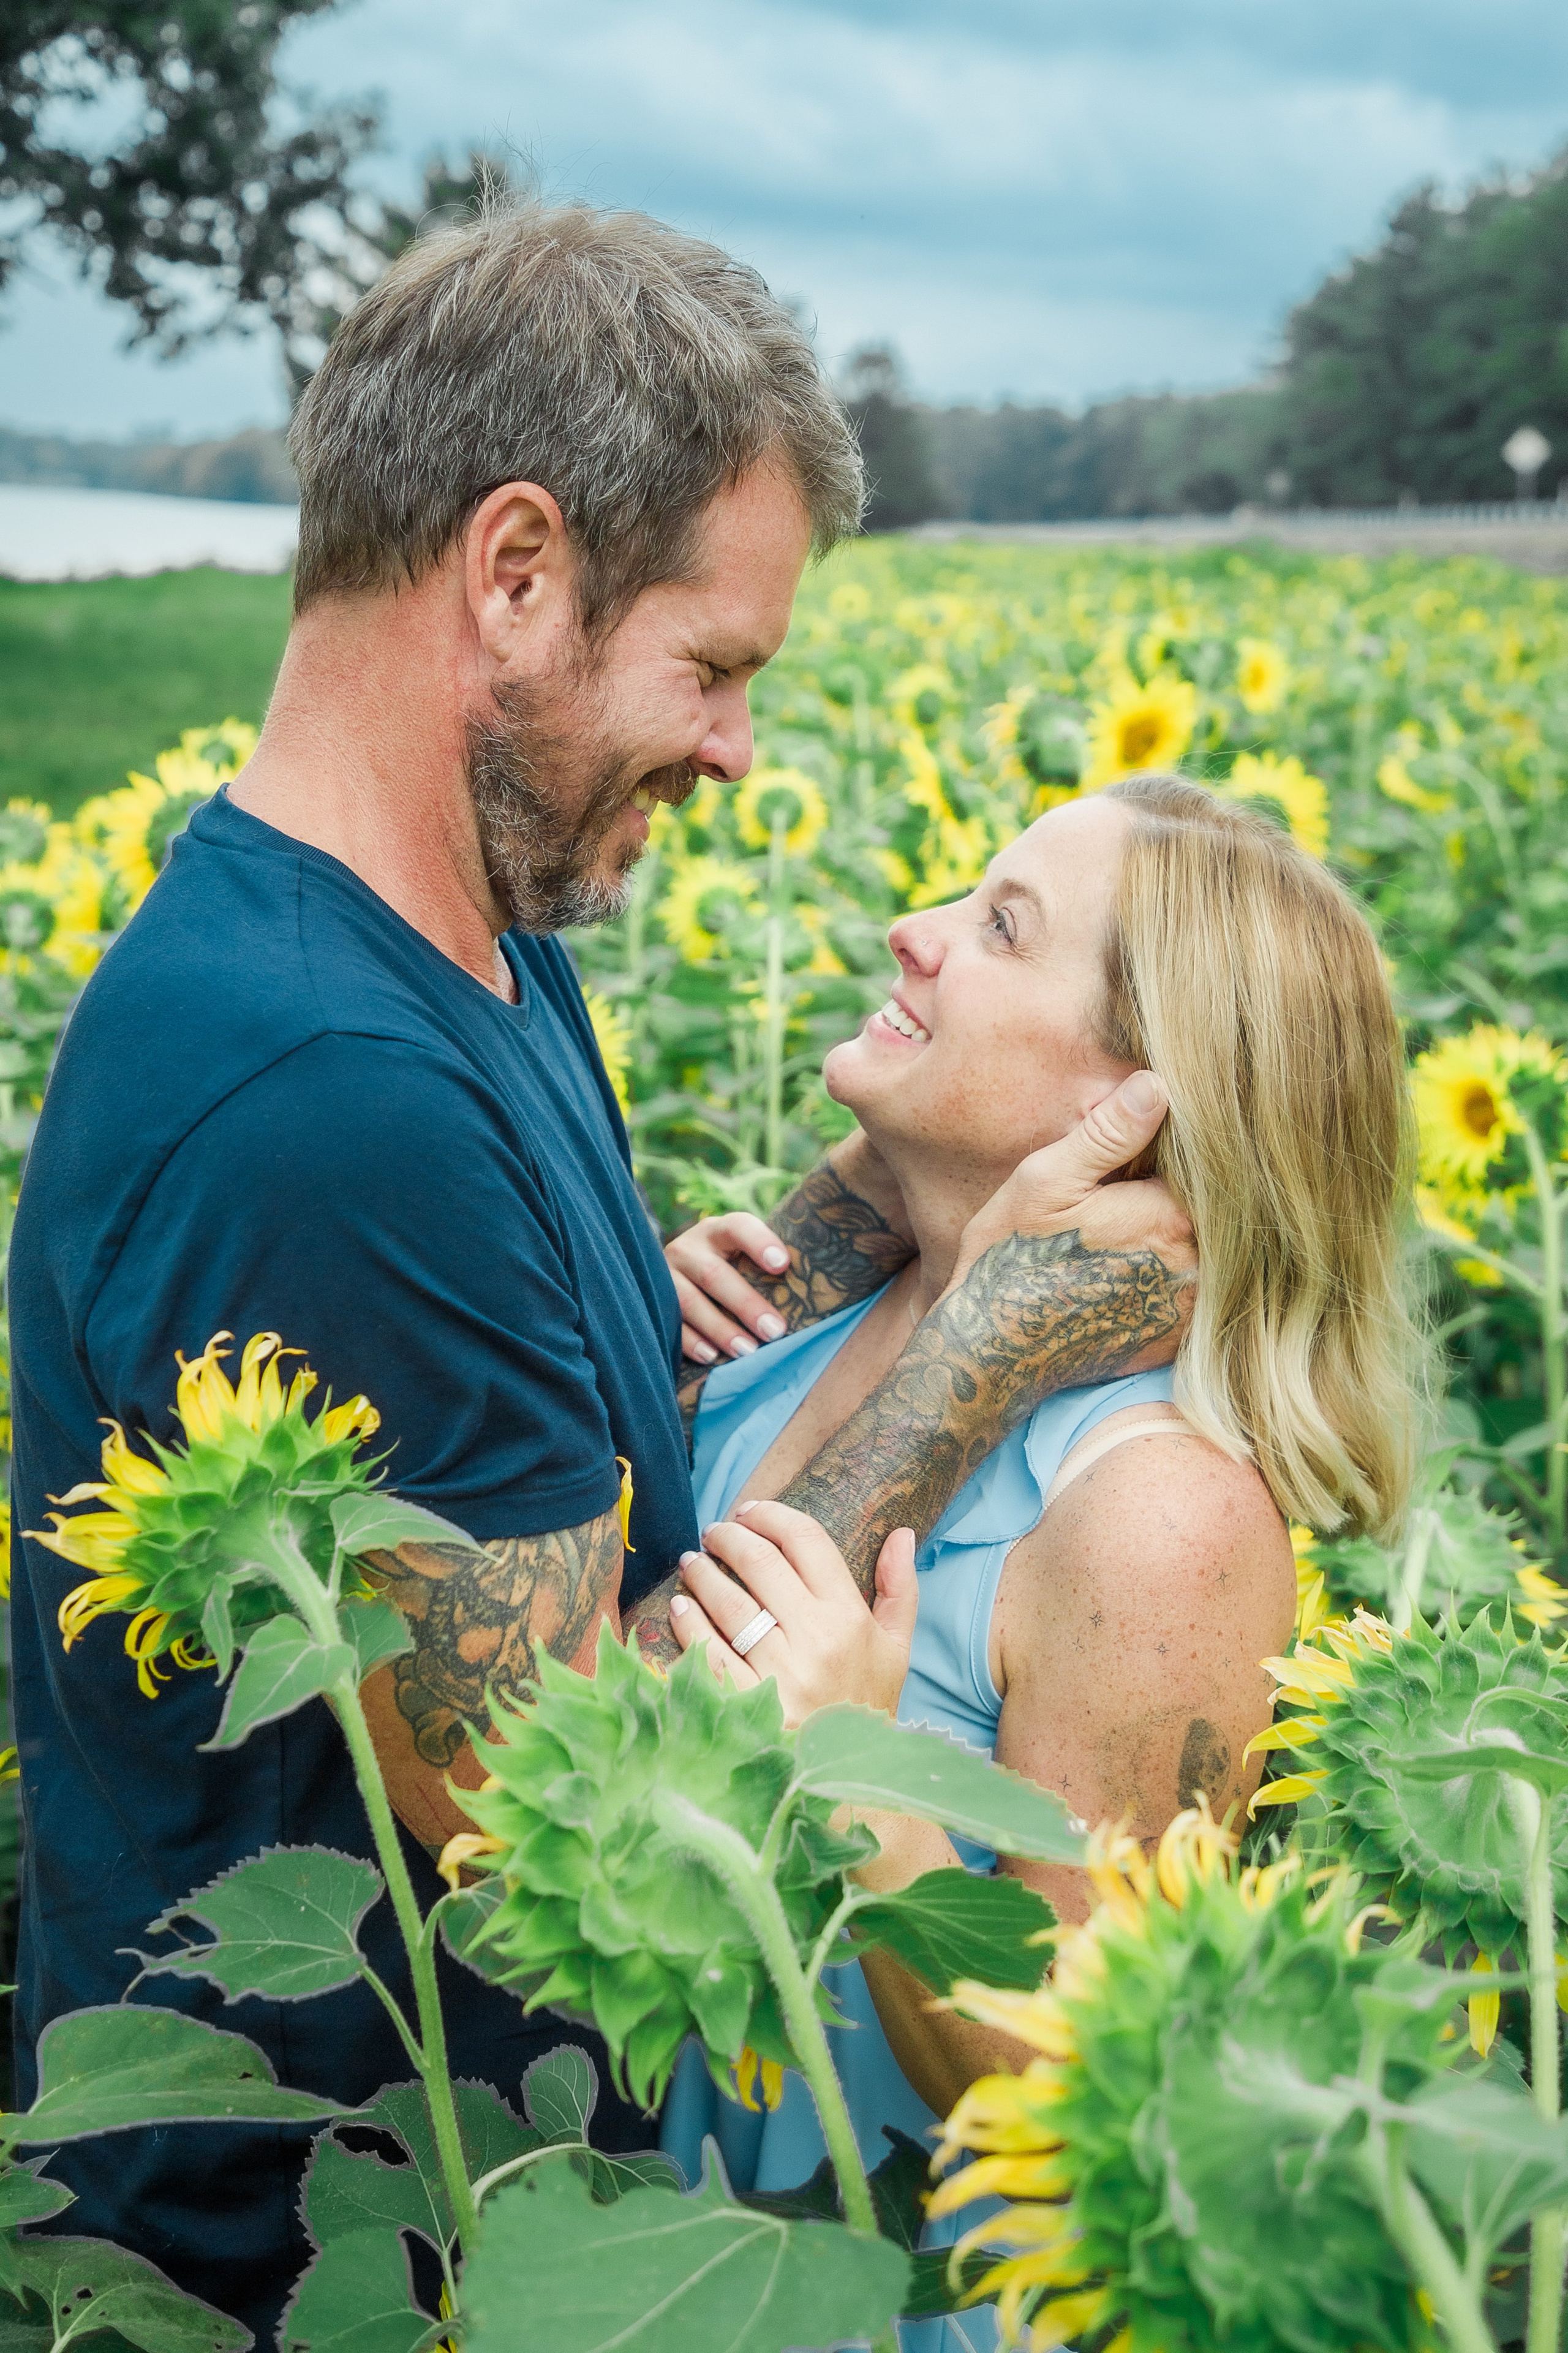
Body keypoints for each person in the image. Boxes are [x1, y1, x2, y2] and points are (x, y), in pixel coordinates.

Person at [6, 198, 1190, 2336]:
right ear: (517, 575)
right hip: (332, 2245)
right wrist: (974, 1358)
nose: (735, 744)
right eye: (713, 665)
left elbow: (451, 1379)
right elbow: (579, 1823)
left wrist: (843, 1229)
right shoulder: (332, 1099)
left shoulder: (472, 935)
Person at [658, 776, 1418, 2353]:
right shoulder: (826, 1302)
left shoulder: (1161, 1514)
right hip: (682, 2233)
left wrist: (850, 1780)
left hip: (884, 2283)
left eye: (998, 928)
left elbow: (1078, 2091)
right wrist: (658, 1364)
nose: (910, 932)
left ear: (1138, 1101)